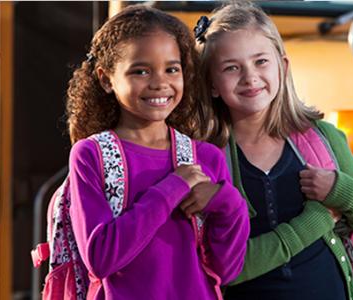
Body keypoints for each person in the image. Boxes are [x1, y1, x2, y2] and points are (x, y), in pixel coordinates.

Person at [194, 2, 353, 299]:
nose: (250, 77)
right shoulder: (207, 158)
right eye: (232, 67)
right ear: (211, 84)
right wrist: (318, 220)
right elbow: (228, 268)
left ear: (282, 67)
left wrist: (341, 188)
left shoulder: (323, 139)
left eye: (261, 62)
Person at [65, 5, 249, 300]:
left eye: (171, 69)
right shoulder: (91, 154)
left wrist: (227, 202)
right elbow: (100, 258)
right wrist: (173, 187)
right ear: (106, 79)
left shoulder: (207, 157)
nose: (159, 82)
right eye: (140, 71)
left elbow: (227, 270)